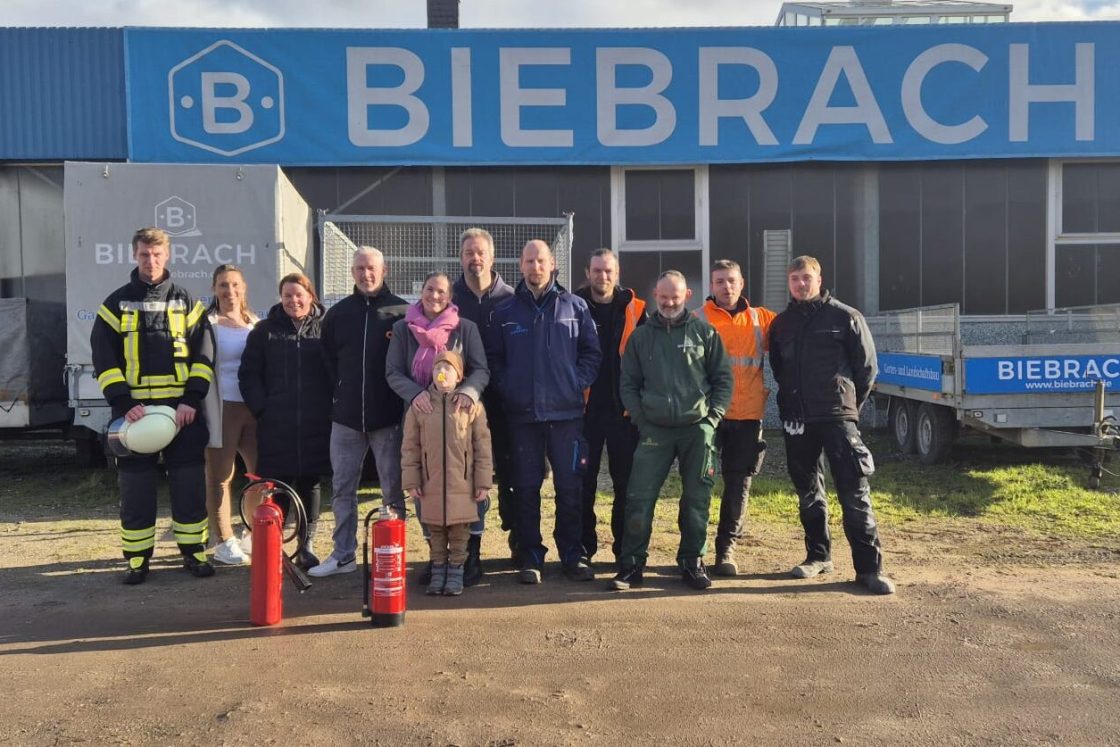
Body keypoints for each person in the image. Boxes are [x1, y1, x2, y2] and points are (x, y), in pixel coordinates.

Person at [90, 227, 215, 585]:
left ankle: (194, 552)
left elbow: (204, 354)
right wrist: (122, 401)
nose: (151, 261)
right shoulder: (115, 303)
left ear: (168, 256)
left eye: (157, 255)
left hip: (182, 412)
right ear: (135, 255)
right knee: (135, 486)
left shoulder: (186, 301)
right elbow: (103, 357)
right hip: (135, 413)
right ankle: (137, 560)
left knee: (189, 482)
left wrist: (192, 399)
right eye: (144, 255)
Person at [768, 255, 895, 595]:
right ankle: (818, 556)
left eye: (806, 277)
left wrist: (849, 404)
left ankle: (870, 570)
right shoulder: (780, 325)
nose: (800, 284)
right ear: (789, 282)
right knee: (808, 493)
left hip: (838, 418)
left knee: (855, 493)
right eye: (794, 279)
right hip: (798, 419)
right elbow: (779, 369)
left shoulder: (846, 316)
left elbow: (866, 369)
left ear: (819, 279)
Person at [611, 271, 733, 592]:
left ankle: (692, 561)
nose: (668, 302)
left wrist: (712, 419)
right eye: (663, 296)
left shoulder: (705, 334)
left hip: (697, 431)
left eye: (675, 296)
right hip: (655, 431)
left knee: (697, 499)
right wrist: (642, 419)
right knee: (639, 497)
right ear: (655, 293)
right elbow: (628, 384)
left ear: (687, 295)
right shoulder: (640, 338)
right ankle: (632, 563)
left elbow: (723, 380)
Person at [489, 239, 601, 584]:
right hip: (522, 418)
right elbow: (495, 360)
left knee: (570, 488)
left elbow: (591, 354)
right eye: (528, 262)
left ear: (553, 265)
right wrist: (511, 388)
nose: (535, 267)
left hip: (567, 417)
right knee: (525, 489)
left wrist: (573, 383)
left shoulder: (576, 307)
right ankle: (530, 556)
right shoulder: (505, 311)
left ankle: (572, 555)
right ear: (520, 266)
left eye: (541, 261)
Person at [310, 247, 409, 578]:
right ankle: (343, 555)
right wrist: (339, 397)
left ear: (385, 270)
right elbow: (326, 362)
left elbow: (410, 365)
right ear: (352, 272)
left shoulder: (401, 313)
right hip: (346, 419)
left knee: (392, 490)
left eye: (372, 268)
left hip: (389, 419)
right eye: (360, 268)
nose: (366, 274)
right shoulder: (338, 314)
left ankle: (395, 554)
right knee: (342, 489)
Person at [387, 271, 490, 585]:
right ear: (421, 290)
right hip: (421, 418)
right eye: (429, 289)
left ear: (450, 297)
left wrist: (468, 392)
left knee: (467, 493)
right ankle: (438, 560)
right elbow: (393, 372)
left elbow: (480, 369)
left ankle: (466, 559)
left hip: (459, 419)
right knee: (425, 492)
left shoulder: (465, 329)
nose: (435, 296)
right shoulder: (403, 329)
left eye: (442, 292)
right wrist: (416, 394)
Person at [238, 272, 332, 570]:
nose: (294, 300)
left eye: (299, 294)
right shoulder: (264, 331)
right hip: (276, 422)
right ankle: (275, 548)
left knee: (310, 482)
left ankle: (307, 545)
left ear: (310, 296)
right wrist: (261, 408)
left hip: (316, 421)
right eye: (288, 295)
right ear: (281, 298)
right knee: (277, 485)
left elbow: (336, 370)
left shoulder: (325, 328)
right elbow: (248, 375)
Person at [699, 259, 776, 577]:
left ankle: (726, 549)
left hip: (747, 416)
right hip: (707, 416)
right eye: (719, 281)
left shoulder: (763, 320)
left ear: (742, 283)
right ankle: (695, 551)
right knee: (698, 483)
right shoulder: (698, 319)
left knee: (738, 485)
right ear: (711, 285)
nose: (726, 287)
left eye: (731, 280)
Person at [401, 350, 494, 596]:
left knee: (460, 533)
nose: (442, 374)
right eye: (437, 369)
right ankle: (438, 570)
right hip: (431, 485)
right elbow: (410, 447)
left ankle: (456, 573)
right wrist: (411, 480)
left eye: (448, 369)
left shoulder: (470, 407)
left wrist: (483, 481)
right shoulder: (420, 407)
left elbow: (482, 446)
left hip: (462, 485)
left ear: (459, 376)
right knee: (436, 532)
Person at [574, 248, 646, 563]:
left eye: (608, 271)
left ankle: (624, 551)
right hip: (583, 414)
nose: (603, 276)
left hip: (624, 414)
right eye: (597, 270)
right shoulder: (571, 306)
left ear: (617, 274)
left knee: (627, 486)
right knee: (581, 486)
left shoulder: (637, 310)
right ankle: (583, 549)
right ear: (587, 273)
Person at [451, 227, 516, 561]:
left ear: (491, 257)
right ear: (460, 258)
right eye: (468, 253)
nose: (474, 259)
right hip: (463, 404)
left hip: (505, 404)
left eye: (480, 253)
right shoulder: (448, 300)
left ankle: (518, 536)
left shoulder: (511, 299)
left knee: (511, 471)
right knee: (467, 477)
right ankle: (470, 551)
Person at [202, 264, 259, 566]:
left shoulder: (255, 323)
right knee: (220, 476)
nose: (230, 291)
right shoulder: (207, 323)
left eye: (235, 285)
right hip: (221, 406)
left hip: (253, 408)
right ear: (214, 289)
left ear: (244, 288)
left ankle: (252, 532)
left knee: (260, 474)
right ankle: (223, 539)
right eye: (223, 285)